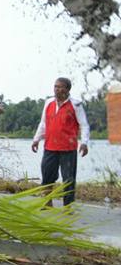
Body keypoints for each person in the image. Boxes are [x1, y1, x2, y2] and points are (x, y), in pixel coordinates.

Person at [31, 77, 90, 206]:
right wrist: (36, 140)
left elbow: (84, 125)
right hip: (50, 147)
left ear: (67, 89)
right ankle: (47, 202)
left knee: (68, 179)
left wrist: (84, 143)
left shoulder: (76, 104)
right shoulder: (48, 103)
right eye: (55, 86)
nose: (57, 89)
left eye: (60, 87)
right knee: (47, 176)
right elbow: (43, 123)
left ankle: (68, 205)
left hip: (68, 148)